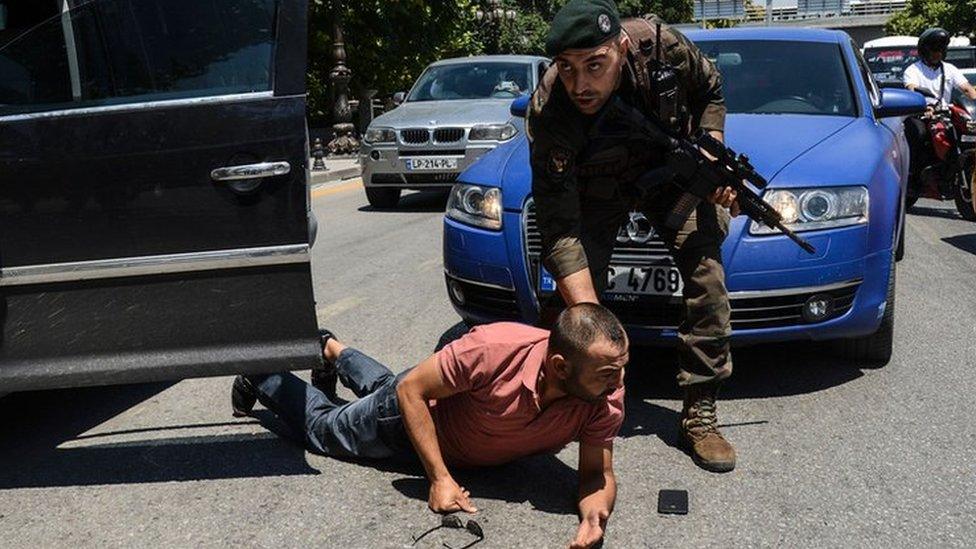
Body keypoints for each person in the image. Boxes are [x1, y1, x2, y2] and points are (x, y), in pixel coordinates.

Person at [527, 0, 739, 472]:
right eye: (566, 68)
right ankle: (554, 398)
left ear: (621, 48)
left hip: (671, 180)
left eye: (594, 65)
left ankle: (699, 411)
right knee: (571, 305)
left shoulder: (662, 48)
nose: (580, 84)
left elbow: (712, 90)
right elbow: (559, 229)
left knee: (707, 276)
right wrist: (591, 324)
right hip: (597, 191)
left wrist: (712, 147)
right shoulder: (551, 111)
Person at [231, 303, 628, 549]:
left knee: (387, 383)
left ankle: (331, 349)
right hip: (403, 421)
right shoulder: (493, 350)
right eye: (608, 373)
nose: (619, 383)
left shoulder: (603, 396)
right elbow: (410, 392)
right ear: (559, 367)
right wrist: (439, 478)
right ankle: (261, 372)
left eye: (622, 369)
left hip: (431, 394)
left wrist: (595, 514)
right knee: (323, 427)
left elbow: (597, 473)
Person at [902, 28, 976, 178]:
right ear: (924, 51)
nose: (937, 54)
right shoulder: (913, 70)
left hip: (945, 114)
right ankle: (913, 175)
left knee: (966, 131)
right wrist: (924, 107)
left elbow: (967, 89)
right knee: (919, 133)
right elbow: (912, 88)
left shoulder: (950, 69)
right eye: (934, 50)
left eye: (940, 50)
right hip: (921, 115)